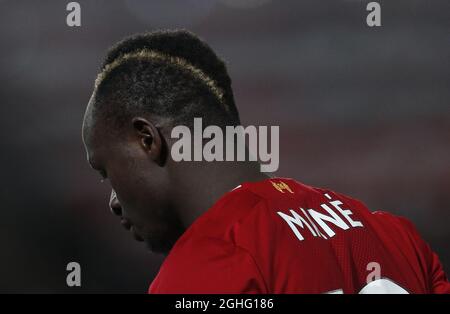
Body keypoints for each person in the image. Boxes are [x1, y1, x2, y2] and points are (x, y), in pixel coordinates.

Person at [82, 29, 449, 294]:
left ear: (148, 140)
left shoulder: (208, 267)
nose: (113, 200)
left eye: (105, 171)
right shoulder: (394, 236)